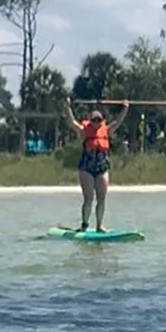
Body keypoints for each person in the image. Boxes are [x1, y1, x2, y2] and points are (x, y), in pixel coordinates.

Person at [65, 98, 130, 232]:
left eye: (98, 120)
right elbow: (71, 122)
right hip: (86, 168)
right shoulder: (84, 130)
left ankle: (99, 226)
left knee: (102, 199)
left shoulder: (106, 130)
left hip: (102, 168)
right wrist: (67, 107)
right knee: (88, 198)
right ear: (90, 120)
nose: (96, 122)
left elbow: (118, 121)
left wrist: (125, 108)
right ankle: (84, 225)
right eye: (94, 120)